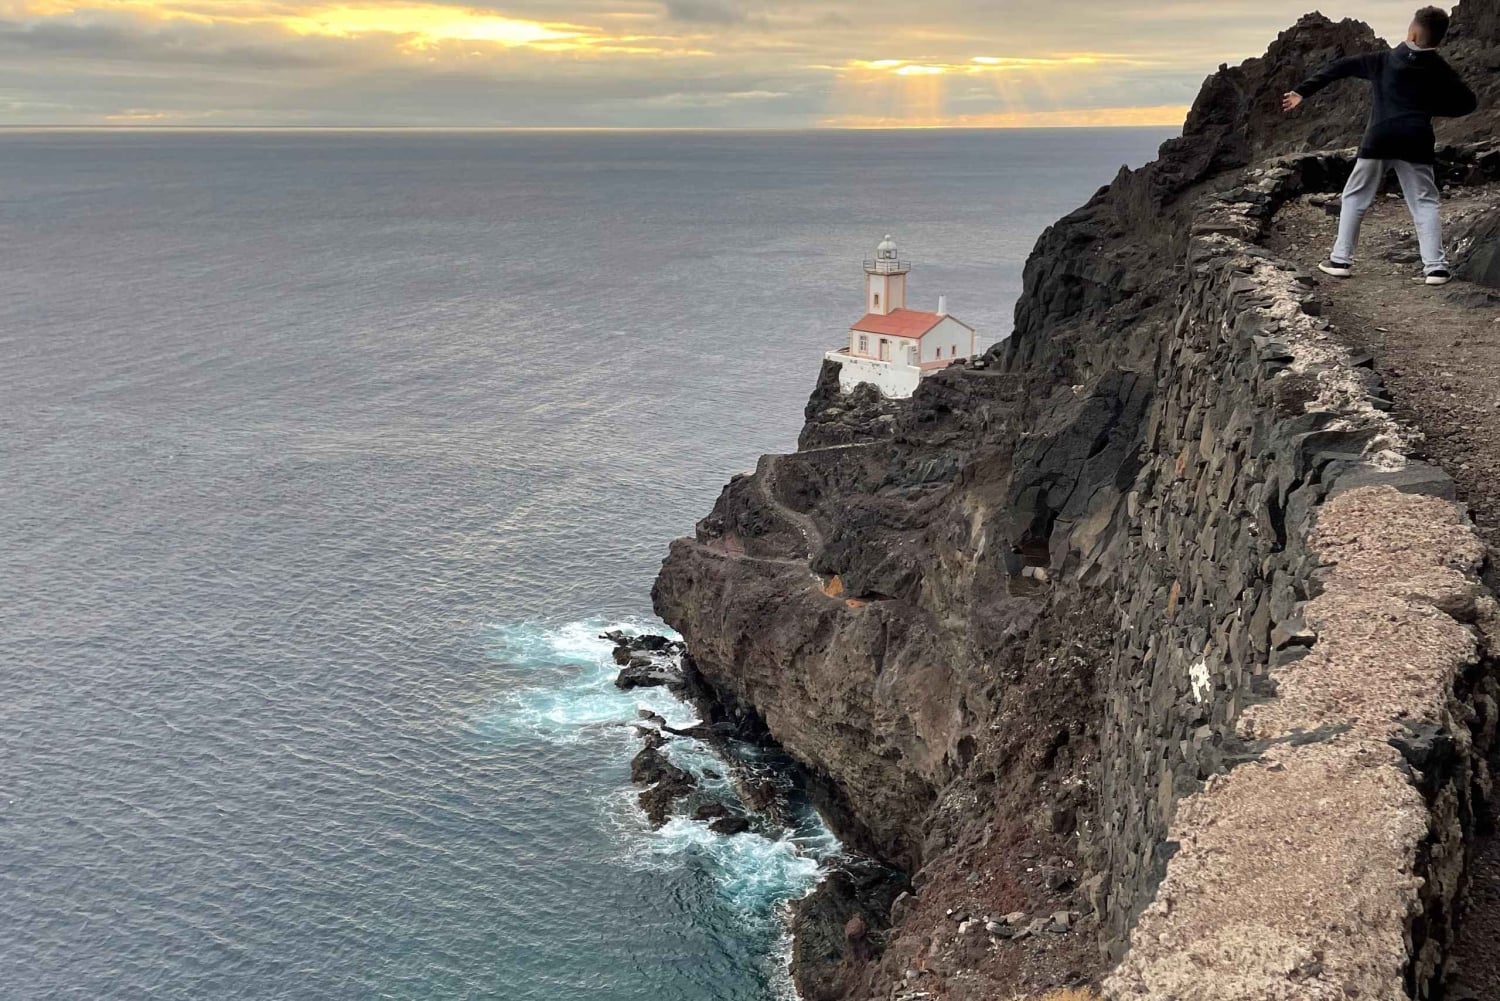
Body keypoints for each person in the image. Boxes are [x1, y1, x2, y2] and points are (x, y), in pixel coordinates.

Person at [1282, 6, 1477, 285]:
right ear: (1439, 40)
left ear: (1411, 32)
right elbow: (1468, 103)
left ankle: (1340, 260)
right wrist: (1427, 109)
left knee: (1355, 197)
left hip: (1380, 137)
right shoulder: (1439, 68)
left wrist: (1303, 91)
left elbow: (1338, 68)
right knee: (1424, 202)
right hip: (1416, 139)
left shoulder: (1382, 60)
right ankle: (1435, 269)